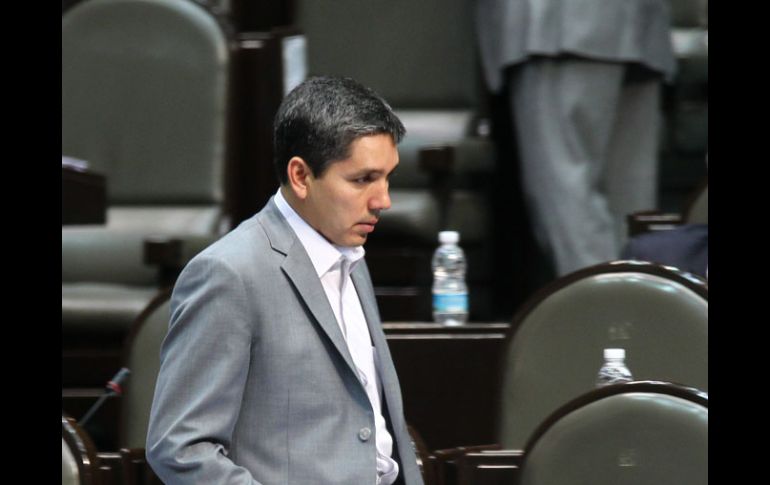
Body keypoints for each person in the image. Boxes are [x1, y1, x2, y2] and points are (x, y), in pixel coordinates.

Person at [146, 76, 424, 485]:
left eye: (387, 177)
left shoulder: (352, 256)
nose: (383, 200)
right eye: (362, 179)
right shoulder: (229, 274)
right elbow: (180, 447)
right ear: (300, 176)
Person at [475, 0, 677, 276]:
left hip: (557, 27)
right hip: (638, 25)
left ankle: (606, 313)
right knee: (631, 206)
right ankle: (642, 309)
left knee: (567, 194)